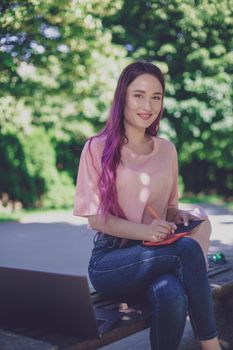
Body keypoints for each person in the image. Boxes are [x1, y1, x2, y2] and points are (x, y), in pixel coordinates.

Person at [73, 61, 221, 350]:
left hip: (158, 255)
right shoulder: (97, 148)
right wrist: (145, 231)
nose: (148, 104)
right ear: (123, 97)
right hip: (112, 262)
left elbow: (168, 207)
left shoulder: (167, 150)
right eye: (138, 95)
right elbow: (96, 219)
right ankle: (211, 345)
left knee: (172, 293)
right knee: (188, 249)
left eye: (156, 96)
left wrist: (179, 217)